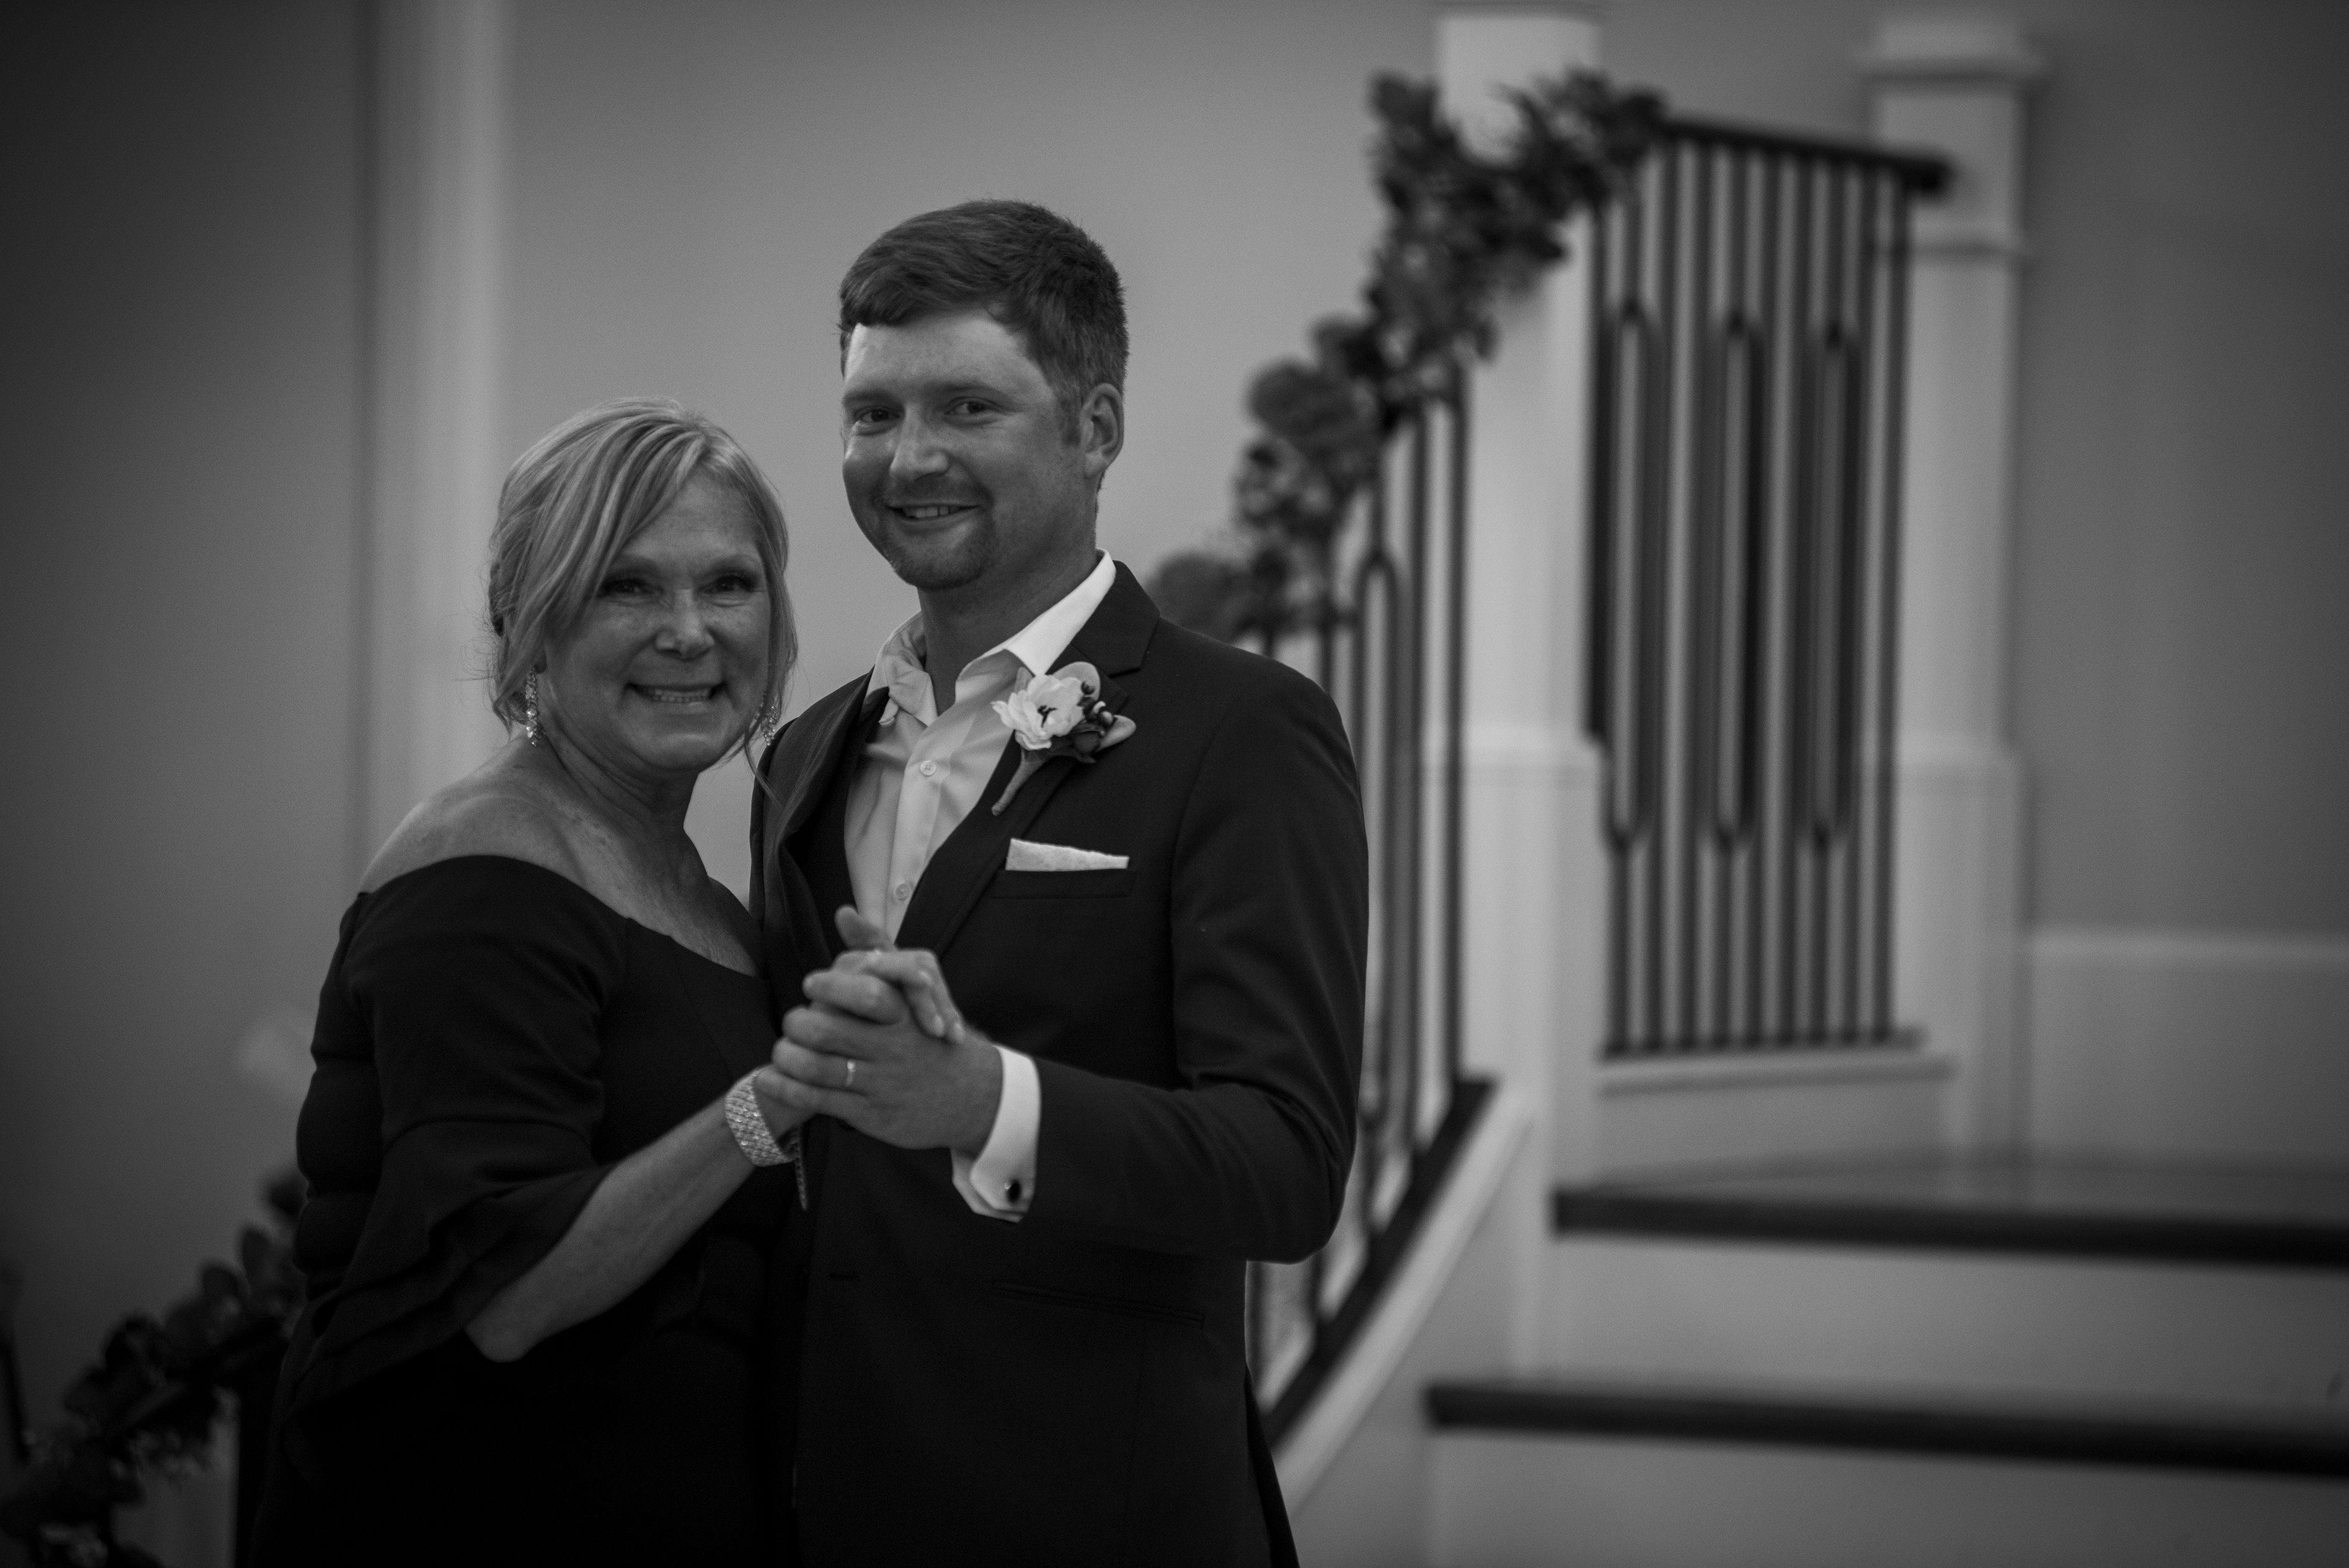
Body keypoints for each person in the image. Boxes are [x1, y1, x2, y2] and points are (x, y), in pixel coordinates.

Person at [750, 199, 1368, 1566]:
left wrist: (988, 1102)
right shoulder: (804, 754)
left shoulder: (1240, 731)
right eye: (871, 413)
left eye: (968, 406)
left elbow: (1286, 1165)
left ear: (1095, 430)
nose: (909, 457)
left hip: (1102, 1512)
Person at [253, 398, 810, 1566]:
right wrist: (777, 1103)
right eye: (626, 586)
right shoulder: (488, 872)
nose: (689, 632)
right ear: (529, 620)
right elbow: (504, 1296)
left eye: (729, 583)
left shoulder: (709, 901)